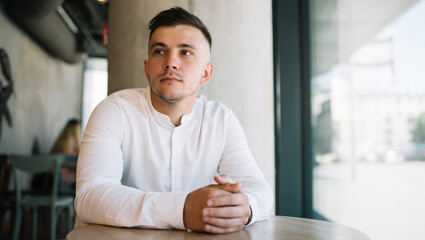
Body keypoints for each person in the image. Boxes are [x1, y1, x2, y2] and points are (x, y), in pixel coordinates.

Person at [74, 7, 272, 234]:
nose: (171, 62)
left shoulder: (222, 120)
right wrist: (183, 209)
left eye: (185, 52)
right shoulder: (114, 110)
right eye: (159, 51)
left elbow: (259, 190)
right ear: (147, 69)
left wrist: (243, 207)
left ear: (205, 74)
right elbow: (90, 196)